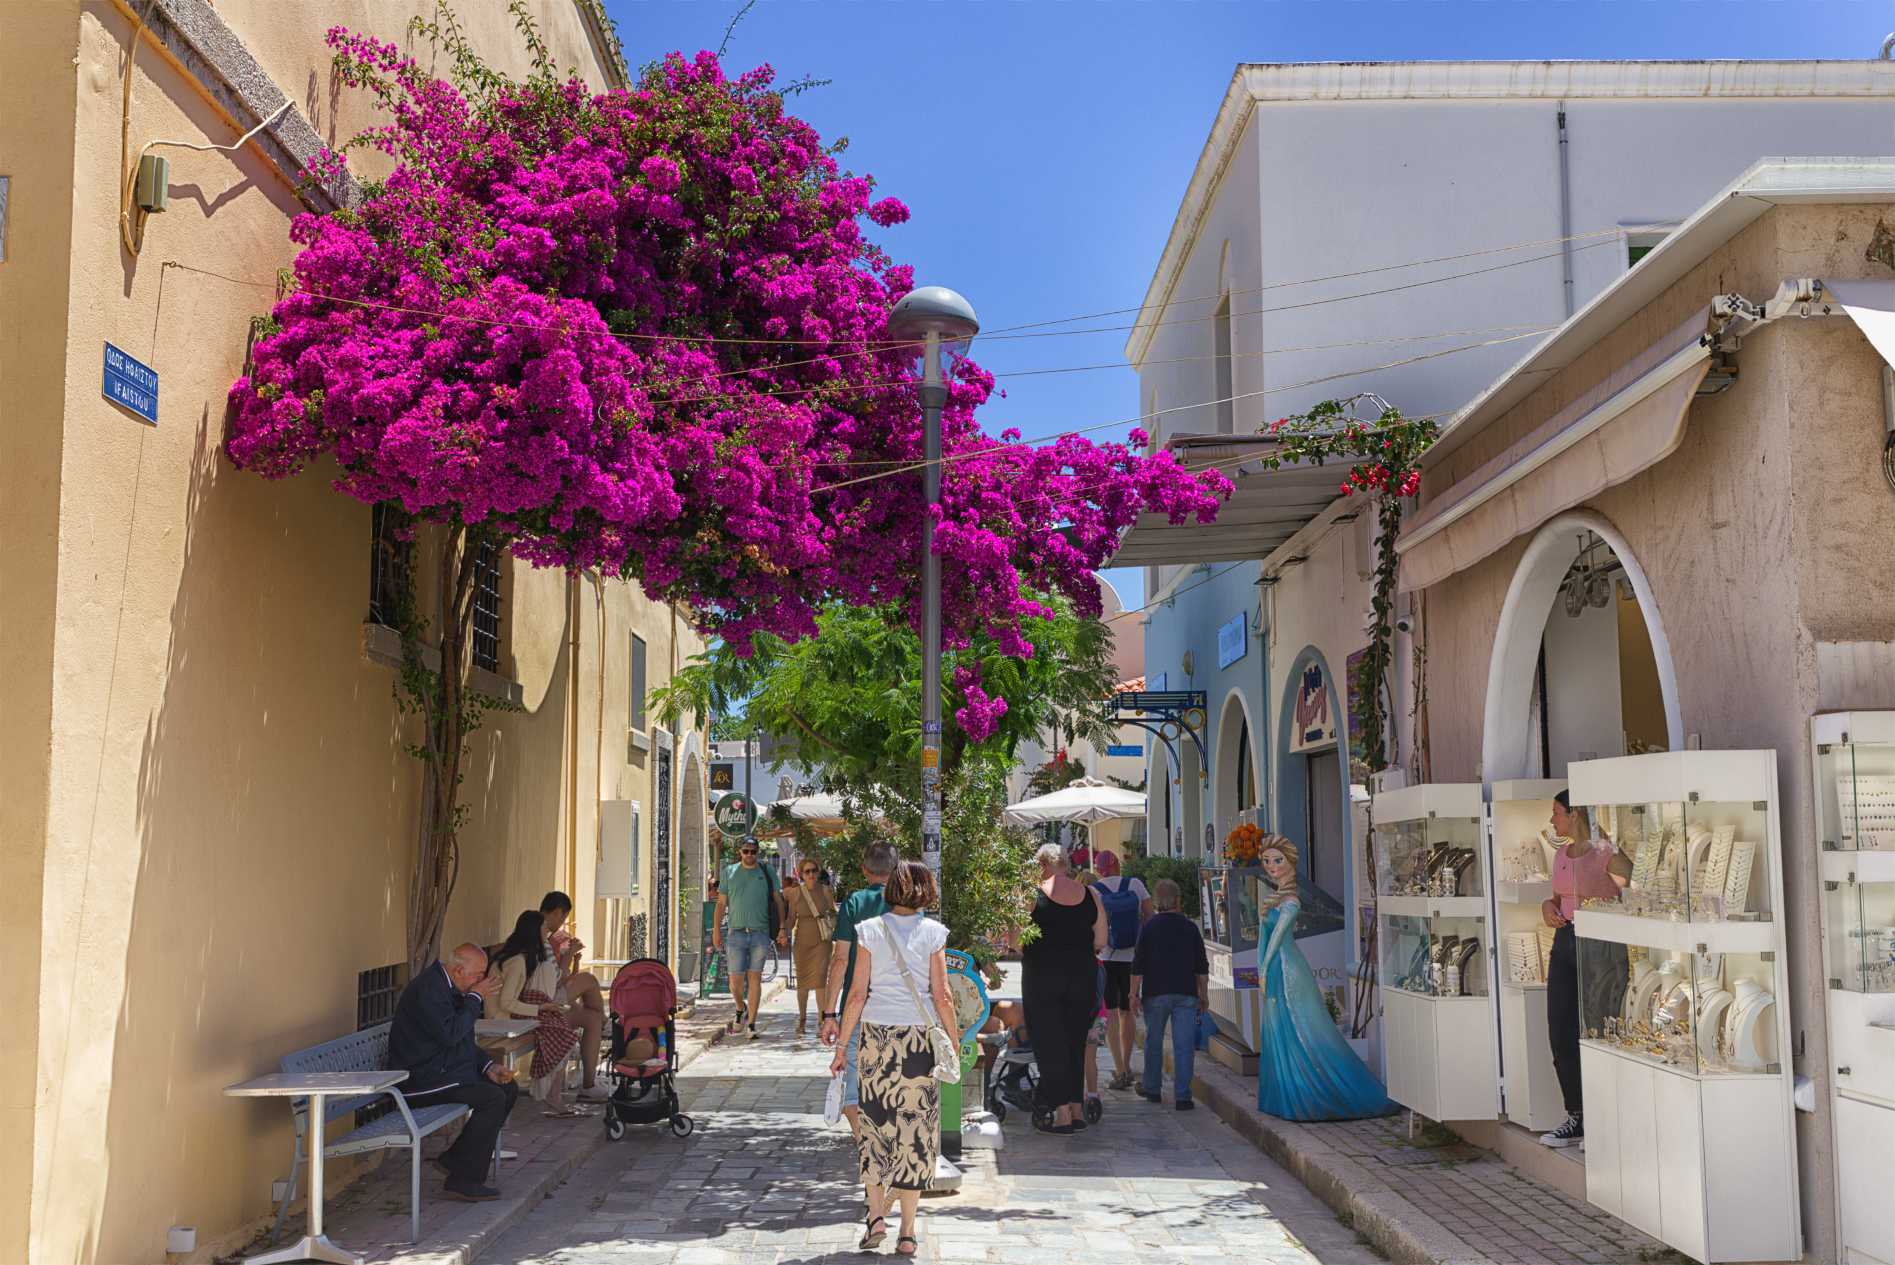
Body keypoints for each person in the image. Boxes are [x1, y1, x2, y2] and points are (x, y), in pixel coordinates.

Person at [829, 861, 960, 1257]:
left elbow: (857, 993)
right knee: (916, 1133)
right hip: (919, 1042)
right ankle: (907, 1232)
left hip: (876, 1039)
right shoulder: (933, 932)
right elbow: (942, 996)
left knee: (875, 1127)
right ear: (926, 890)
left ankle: (875, 1217)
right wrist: (952, 1044)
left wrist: (841, 1046)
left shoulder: (870, 929)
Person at [1252, 836, 1397, 1120]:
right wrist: (1261, 970)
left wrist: (1265, 968)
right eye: (1267, 861)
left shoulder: (1291, 902)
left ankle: (1310, 1095)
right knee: (1279, 1026)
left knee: (1301, 1026)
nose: (1271, 866)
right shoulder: (1274, 899)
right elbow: (1263, 939)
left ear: (1290, 862)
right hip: (1275, 969)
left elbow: (1278, 939)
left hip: (1288, 970)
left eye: (1277, 860)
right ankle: (1285, 1095)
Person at [386, 943, 518, 1202]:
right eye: (478, 975)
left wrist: (488, 1066)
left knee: (507, 1088)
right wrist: (475, 998)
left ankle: (455, 1160)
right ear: (459, 971)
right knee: (492, 1098)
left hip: (439, 1070)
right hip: (418, 1080)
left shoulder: (449, 986)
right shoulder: (429, 989)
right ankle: (463, 1180)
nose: (481, 981)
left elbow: (462, 1040)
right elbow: (451, 1034)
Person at [1539, 790, 1632, 1148]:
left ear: (1574, 814)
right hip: (1564, 943)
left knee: (1598, 1029)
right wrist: (1547, 906)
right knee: (1560, 1030)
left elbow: (1632, 888)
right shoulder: (1561, 853)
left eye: (1557, 813)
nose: (1552, 821)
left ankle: (1605, 1119)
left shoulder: (1606, 851)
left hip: (1600, 945)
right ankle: (1576, 1117)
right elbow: (1560, 897)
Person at [1021, 842, 1105, 1136]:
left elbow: (1015, 941)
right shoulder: (1090, 894)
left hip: (1043, 975)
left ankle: (1062, 1117)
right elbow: (1101, 940)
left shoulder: (1033, 894)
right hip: (1082, 975)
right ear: (1067, 867)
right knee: (1075, 1042)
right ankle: (1077, 1112)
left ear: (1041, 866)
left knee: (1050, 1043)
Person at [819, 839, 898, 1139]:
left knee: (853, 1095)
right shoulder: (908, 904)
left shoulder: (854, 903)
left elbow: (840, 960)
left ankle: (870, 1155)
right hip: (899, 1012)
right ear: (896, 869)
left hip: (858, 1011)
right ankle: (887, 1154)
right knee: (892, 1091)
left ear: (865, 870)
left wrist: (829, 1013)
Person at [487, 911, 586, 1117]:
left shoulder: (522, 956)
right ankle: (551, 1093)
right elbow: (506, 1003)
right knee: (562, 1032)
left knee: (561, 1029)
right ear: (534, 931)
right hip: (502, 1019)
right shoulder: (516, 960)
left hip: (513, 1013)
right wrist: (541, 1009)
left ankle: (551, 1092)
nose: (547, 931)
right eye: (544, 927)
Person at [1130, 878, 1209, 1109]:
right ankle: (1182, 1097)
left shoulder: (1148, 927)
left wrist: (1133, 995)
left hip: (1156, 993)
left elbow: (1138, 965)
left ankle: (1152, 1089)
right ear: (1177, 901)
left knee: (1153, 1042)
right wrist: (1203, 993)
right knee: (1183, 1045)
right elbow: (1201, 965)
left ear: (1156, 902)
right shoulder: (1190, 927)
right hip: (1186, 993)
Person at [712, 839, 789, 1042]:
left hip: (760, 933)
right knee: (735, 981)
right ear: (740, 852)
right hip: (735, 933)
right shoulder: (729, 872)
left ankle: (752, 1024)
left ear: (758, 852)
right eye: (746, 851)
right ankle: (740, 1008)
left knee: (755, 978)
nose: (749, 855)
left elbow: (779, 901)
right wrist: (717, 931)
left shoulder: (767, 871)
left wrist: (782, 927)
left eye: (753, 851)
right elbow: (721, 904)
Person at [1088, 851, 1152, 1092]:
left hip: (1105, 959)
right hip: (1132, 960)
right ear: (1117, 865)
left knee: (1111, 1017)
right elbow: (1150, 917)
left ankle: (1120, 1071)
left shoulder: (1093, 891)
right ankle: (1127, 1063)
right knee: (1128, 1012)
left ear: (1099, 870)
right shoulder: (1135, 884)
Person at [539, 892, 609, 1100]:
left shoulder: (545, 934)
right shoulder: (540, 932)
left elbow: (559, 977)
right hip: (541, 1001)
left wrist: (571, 960)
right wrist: (570, 953)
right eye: (563, 918)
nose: (562, 924)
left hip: (549, 997)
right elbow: (556, 981)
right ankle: (606, 1023)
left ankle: (588, 1085)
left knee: (592, 1017)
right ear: (557, 912)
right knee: (589, 979)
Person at [790, 857, 837, 1035]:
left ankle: (821, 1020)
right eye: (807, 871)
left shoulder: (826, 891)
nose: (811, 874)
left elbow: (833, 913)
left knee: (819, 979)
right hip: (801, 942)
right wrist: (782, 931)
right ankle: (802, 1019)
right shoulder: (795, 893)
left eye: (814, 870)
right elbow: (791, 918)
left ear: (818, 872)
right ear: (802, 874)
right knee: (802, 981)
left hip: (822, 941)